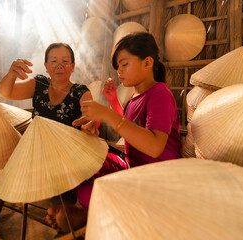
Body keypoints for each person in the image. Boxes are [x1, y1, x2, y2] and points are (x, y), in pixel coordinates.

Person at [46, 32, 182, 232]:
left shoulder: (160, 94)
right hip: (133, 167)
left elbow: (154, 146)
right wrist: (112, 103)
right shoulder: (137, 94)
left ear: (147, 63)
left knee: (95, 185)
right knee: (84, 163)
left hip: (159, 176)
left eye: (124, 64)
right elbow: (131, 125)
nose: (119, 71)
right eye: (117, 66)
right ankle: (85, 209)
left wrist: (109, 116)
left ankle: (85, 212)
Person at [0, 42, 99, 197]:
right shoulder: (39, 84)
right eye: (53, 61)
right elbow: (7, 91)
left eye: (65, 61)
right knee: (3, 145)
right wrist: (11, 74)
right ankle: (0, 178)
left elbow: (90, 116)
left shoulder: (81, 92)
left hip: (63, 155)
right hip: (34, 147)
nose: (59, 66)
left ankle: (0, 181)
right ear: (46, 66)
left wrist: (89, 122)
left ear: (73, 66)